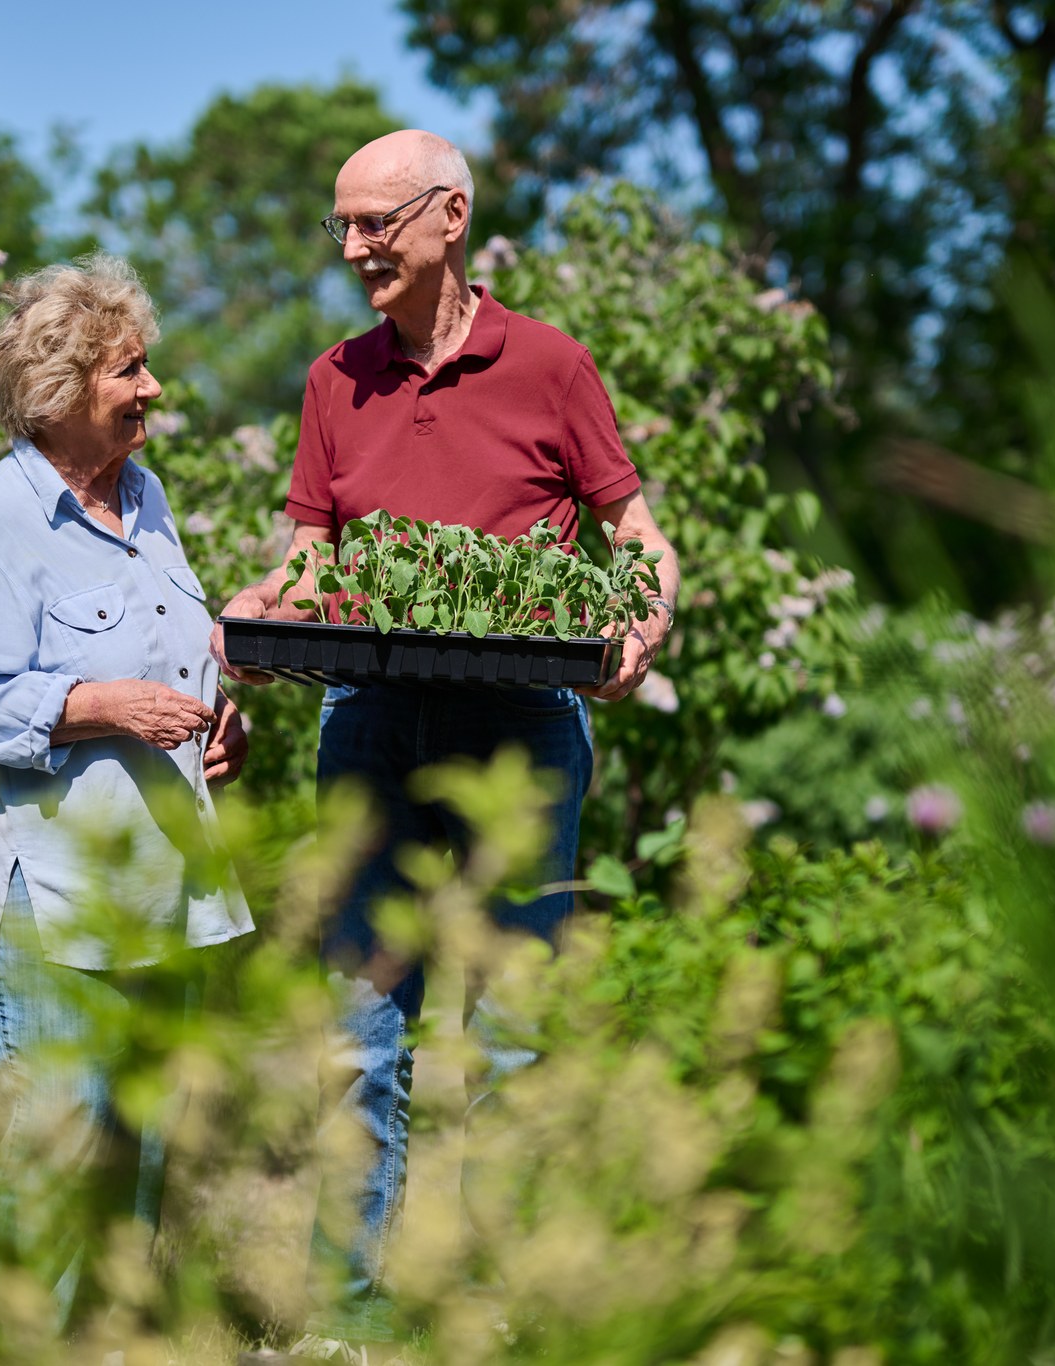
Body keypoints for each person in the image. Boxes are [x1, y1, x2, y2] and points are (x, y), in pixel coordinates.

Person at [211, 130, 680, 1359]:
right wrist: (261, 613)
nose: (354, 249)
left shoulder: (549, 365)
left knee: (512, 1032)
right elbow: (313, 560)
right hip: (368, 722)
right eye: (343, 229)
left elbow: (633, 532)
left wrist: (641, 616)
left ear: (449, 216)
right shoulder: (333, 379)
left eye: (375, 223)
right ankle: (350, 1321)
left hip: (522, 723)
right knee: (359, 1031)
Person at [0, 254, 253, 1330]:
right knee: (55, 1163)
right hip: (54, 898)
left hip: (159, 884)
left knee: (135, 1169)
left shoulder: (144, 498)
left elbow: (171, 661)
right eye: (130, 372)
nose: (153, 389)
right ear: (60, 395)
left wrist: (214, 723)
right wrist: (101, 704)